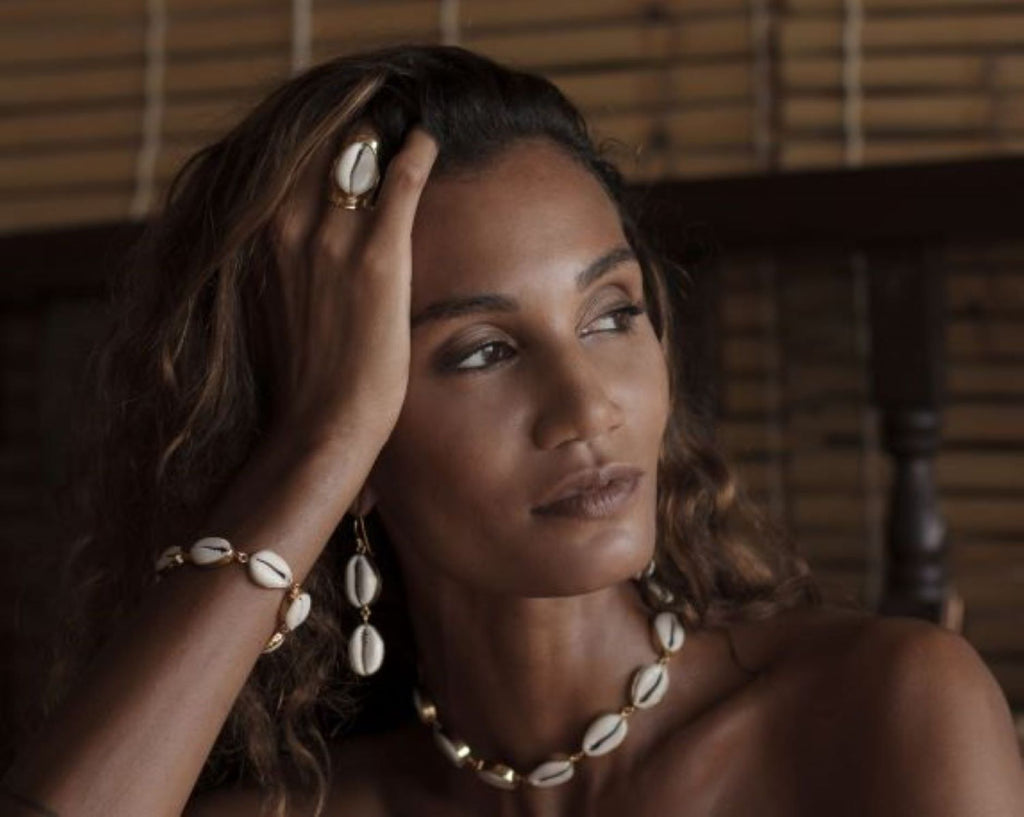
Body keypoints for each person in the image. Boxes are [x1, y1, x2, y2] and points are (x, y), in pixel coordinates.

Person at [2, 44, 1021, 817]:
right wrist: (316, 455)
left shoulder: (875, 711)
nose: (588, 408)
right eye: (481, 350)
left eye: (611, 313)